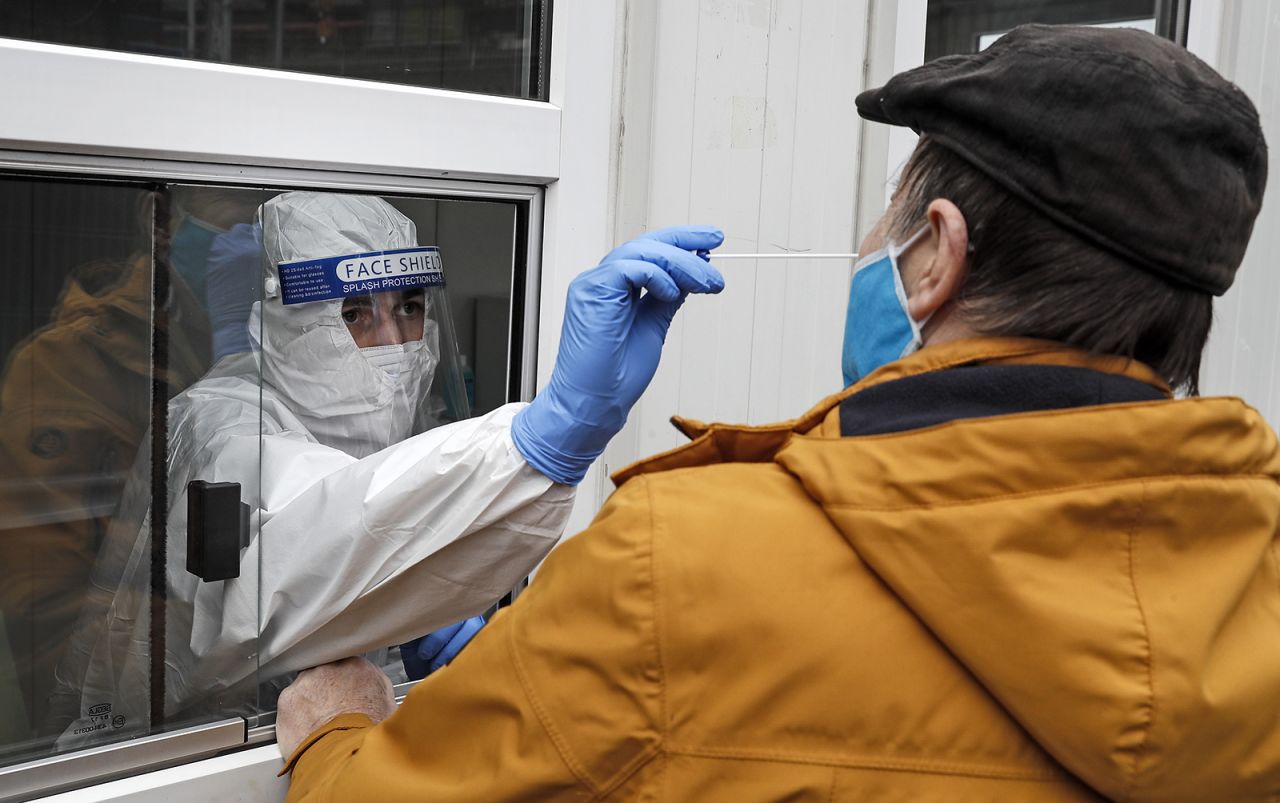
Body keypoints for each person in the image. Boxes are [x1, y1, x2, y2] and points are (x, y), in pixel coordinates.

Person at [274, 25, 1279, 802]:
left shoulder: (686, 565)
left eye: (885, 219)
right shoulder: (1254, 555)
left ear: (936, 255)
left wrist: (331, 733)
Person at [47, 191, 725, 748]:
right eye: (355, 314)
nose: (394, 342)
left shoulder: (385, 429)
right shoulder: (220, 425)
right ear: (286, 323)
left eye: (408, 309)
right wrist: (547, 435)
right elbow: (317, 529)